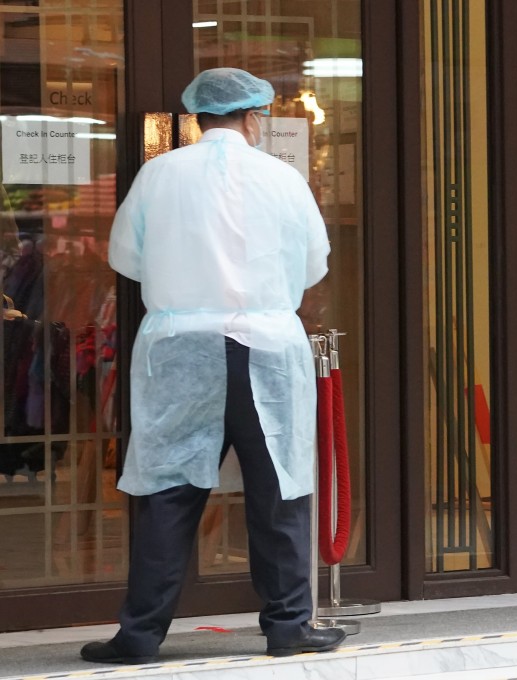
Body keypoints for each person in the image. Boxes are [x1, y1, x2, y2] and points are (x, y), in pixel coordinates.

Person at [80, 67, 341, 664]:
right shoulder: (282, 178)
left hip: (180, 347)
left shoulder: (158, 174)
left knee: (168, 491)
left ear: (198, 118)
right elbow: (313, 266)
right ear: (253, 119)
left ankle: (139, 636)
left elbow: (128, 257)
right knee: (277, 488)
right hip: (267, 348)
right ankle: (287, 626)